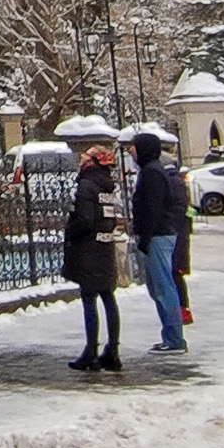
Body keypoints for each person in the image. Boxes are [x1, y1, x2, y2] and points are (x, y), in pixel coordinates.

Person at [64, 138, 127, 372]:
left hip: (88, 249)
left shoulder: (87, 185)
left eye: (85, 157)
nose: (81, 160)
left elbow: (85, 219)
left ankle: (91, 351)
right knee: (108, 297)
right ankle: (112, 350)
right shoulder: (108, 185)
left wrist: (70, 230)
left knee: (89, 297)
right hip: (105, 246)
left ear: (91, 163)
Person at [128, 130, 190, 353]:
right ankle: (171, 337)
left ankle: (174, 339)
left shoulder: (152, 173)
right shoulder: (151, 170)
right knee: (159, 287)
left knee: (163, 287)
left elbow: (152, 208)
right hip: (158, 234)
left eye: (134, 146)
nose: (131, 151)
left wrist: (145, 237)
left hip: (158, 235)